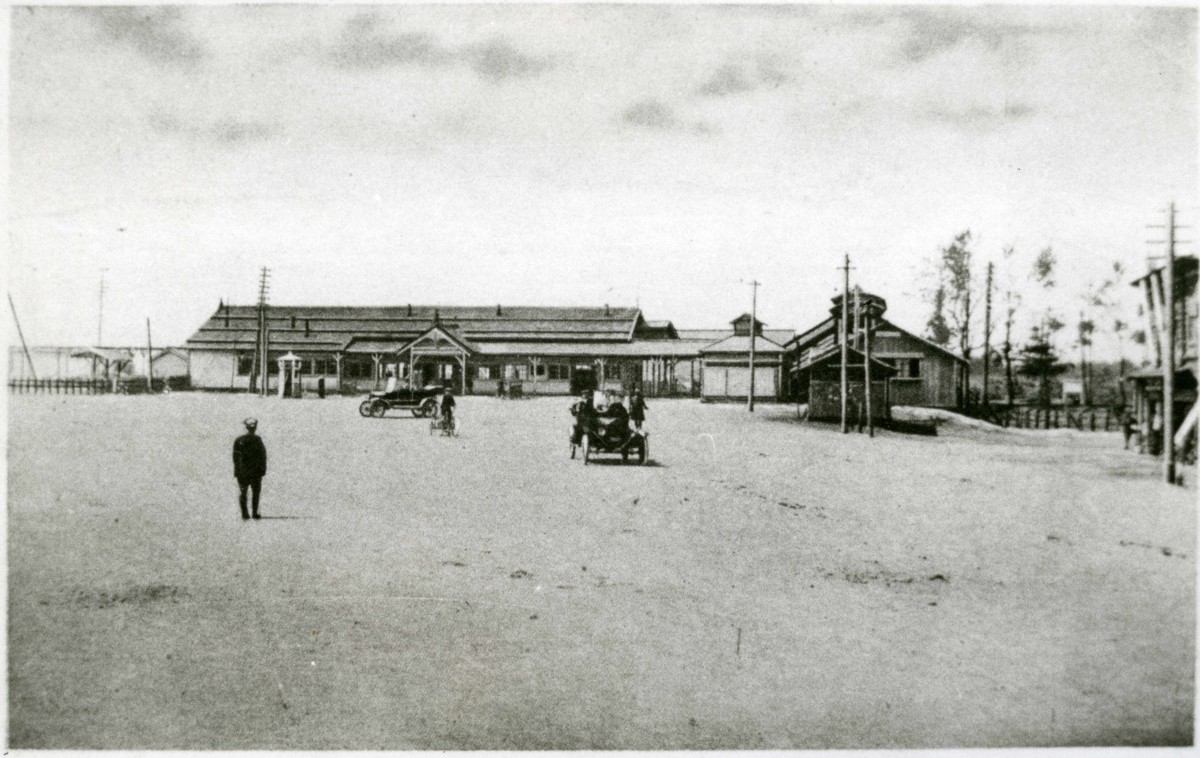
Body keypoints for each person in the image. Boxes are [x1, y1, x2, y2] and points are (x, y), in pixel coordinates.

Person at [233, 418, 267, 520]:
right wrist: (262, 470)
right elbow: (262, 456)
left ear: (246, 427)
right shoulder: (257, 439)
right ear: (254, 428)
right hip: (255, 472)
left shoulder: (239, 440)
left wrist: (237, 470)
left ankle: (244, 514)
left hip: (242, 471)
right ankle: (254, 513)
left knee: (243, 492)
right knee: (255, 493)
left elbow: (235, 457)